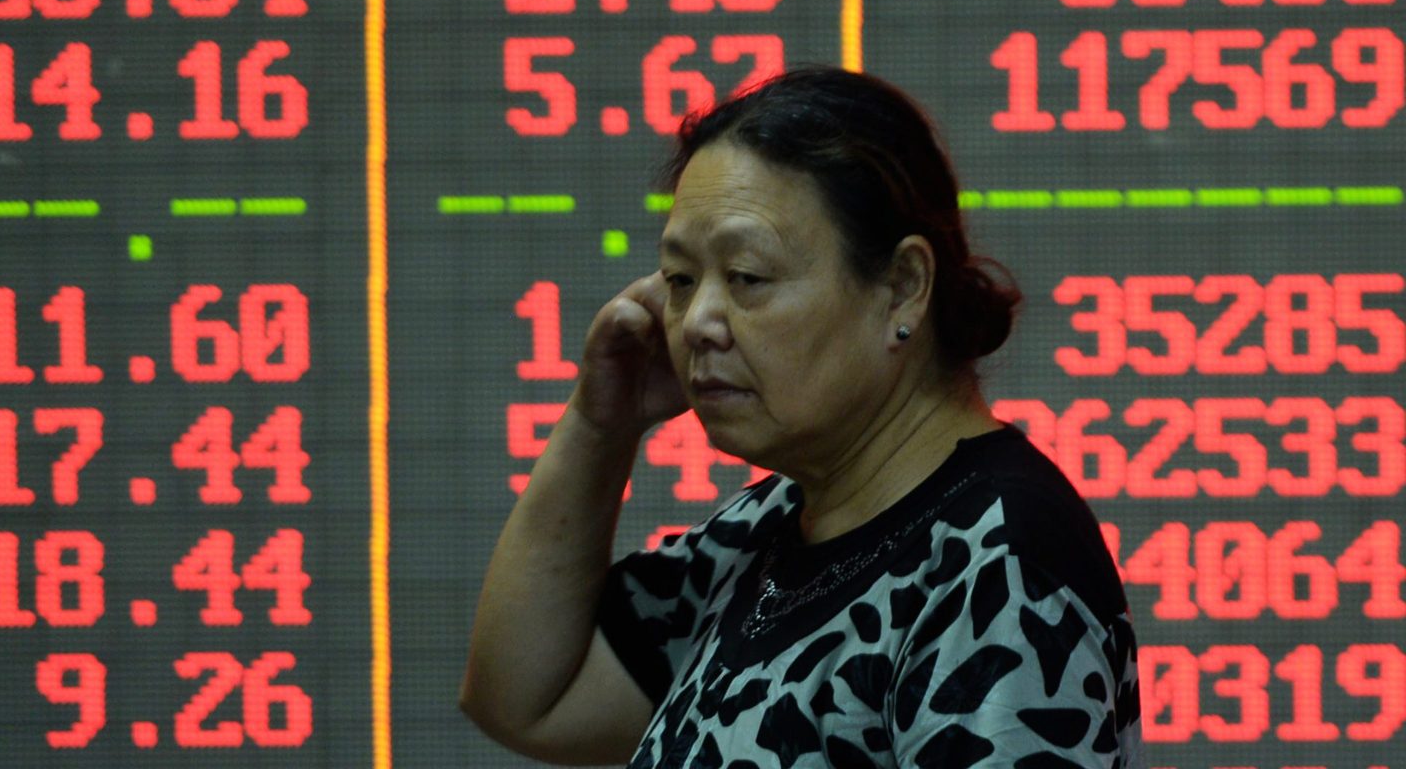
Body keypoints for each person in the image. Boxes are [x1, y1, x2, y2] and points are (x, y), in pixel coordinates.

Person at [461, 67, 1143, 767]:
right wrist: (598, 426)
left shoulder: (998, 562)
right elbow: (524, 700)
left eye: (747, 277)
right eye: (680, 280)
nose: (695, 321)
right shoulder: (768, 530)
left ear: (903, 288)